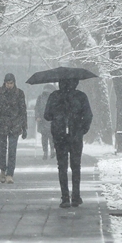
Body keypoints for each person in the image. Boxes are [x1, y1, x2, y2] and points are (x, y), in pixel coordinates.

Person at [44, 78, 92, 208]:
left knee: (62, 166)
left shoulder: (54, 96)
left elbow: (47, 115)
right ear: (75, 82)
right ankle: (76, 197)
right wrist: (82, 129)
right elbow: (88, 115)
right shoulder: (81, 96)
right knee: (76, 166)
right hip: (75, 135)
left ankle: (65, 198)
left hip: (59, 136)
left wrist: (58, 116)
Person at [0, 73, 27, 184]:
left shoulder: (19, 94)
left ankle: (10, 174)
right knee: (1, 149)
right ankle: (2, 170)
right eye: (7, 83)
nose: (9, 85)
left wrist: (24, 127)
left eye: (11, 83)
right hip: (1, 125)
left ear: (14, 83)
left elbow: (23, 111)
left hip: (15, 125)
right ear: (4, 82)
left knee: (12, 150)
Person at [34, 84, 56, 160]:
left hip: (46, 120)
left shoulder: (41, 98)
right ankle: (49, 151)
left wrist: (37, 116)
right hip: (47, 120)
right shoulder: (42, 98)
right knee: (50, 137)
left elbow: (36, 108)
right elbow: (37, 108)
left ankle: (47, 151)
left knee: (46, 137)